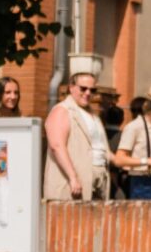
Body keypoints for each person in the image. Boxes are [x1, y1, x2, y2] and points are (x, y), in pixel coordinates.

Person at [42, 70, 112, 201]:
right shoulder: (62, 110)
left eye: (92, 90)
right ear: (71, 87)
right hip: (71, 184)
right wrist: (73, 177)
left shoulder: (93, 115)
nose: (88, 93)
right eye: (83, 88)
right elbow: (57, 146)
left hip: (97, 181)